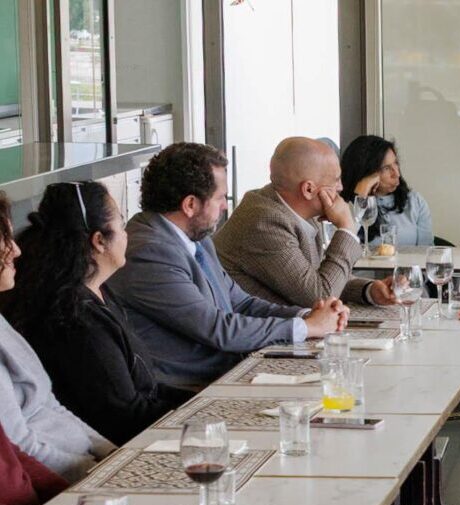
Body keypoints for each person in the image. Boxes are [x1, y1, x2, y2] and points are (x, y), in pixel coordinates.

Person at [107, 142, 344, 398]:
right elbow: (218, 328)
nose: (224, 207)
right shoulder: (149, 252)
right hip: (186, 392)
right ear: (190, 205)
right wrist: (307, 328)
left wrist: (309, 314)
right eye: (220, 198)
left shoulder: (197, 239)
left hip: (227, 373)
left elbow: (242, 303)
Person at [3, 181, 176, 445]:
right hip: (122, 445)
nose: (126, 234)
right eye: (121, 224)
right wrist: (201, 419)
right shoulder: (75, 319)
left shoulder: (98, 291)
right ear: (99, 241)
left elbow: (144, 389)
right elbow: (126, 417)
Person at [0, 194, 113, 480]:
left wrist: (113, 453)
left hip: (86, 465)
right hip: (58, 484)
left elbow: (50, 403)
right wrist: (98, 472)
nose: (16, 251)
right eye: (5, 240)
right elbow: (19, 446)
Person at [213, 137, 396, 309]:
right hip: (254, 329)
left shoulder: (296, 211)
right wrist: (347, 228)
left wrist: (370, 291)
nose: (341, 187)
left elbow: (321, 277)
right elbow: (320, 297)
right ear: (308, 189)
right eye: (336, 180)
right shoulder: (265, 222)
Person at [340, 134, 434, 248]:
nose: (397, 174)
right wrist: (361, 193)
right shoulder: (342, 205)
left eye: (396, 163)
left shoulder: (415, 202)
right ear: (366, 172)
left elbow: (427, 251)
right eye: (386, 168)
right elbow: (340, 246)